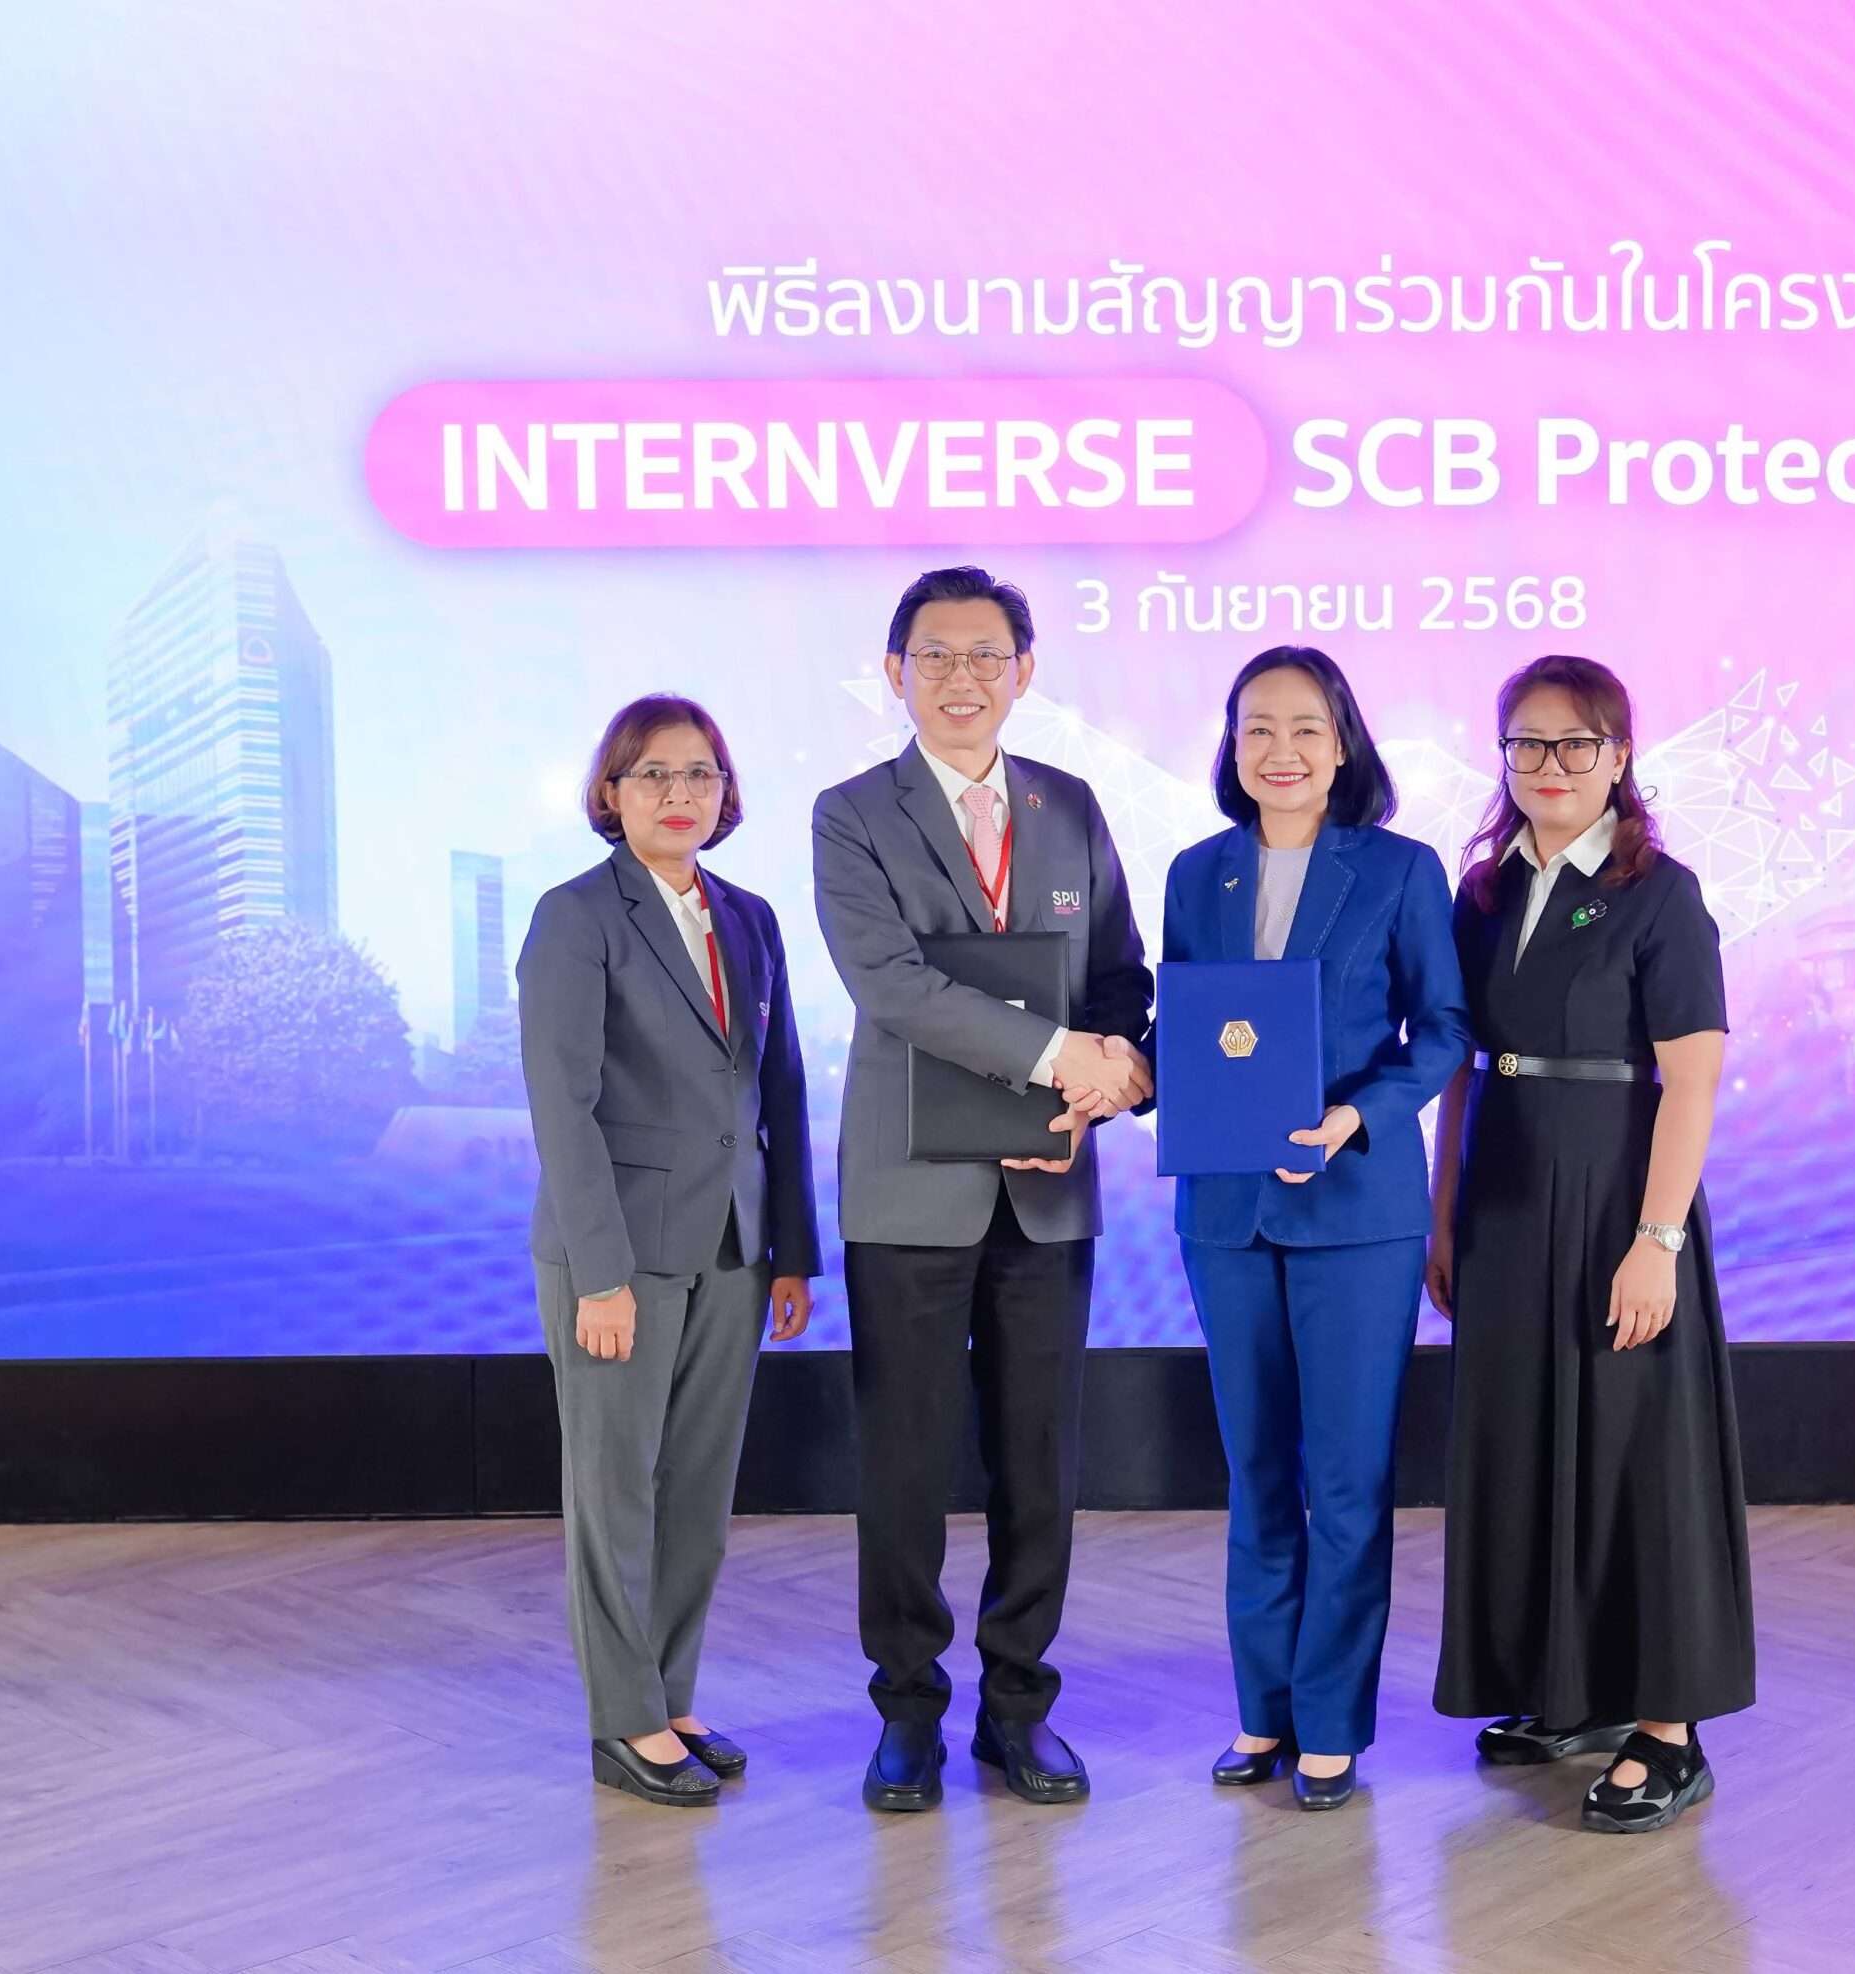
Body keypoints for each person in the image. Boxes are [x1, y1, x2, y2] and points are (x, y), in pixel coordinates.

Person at [812, 566, 1153, 1813]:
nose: (962, 678)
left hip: (1048, 1185)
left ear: (1025, 671)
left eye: (986, 656)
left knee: (1037, 1459)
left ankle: (1018, 1707)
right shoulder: (851, 815)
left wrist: (1118, 1079)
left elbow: (1118, 978)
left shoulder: (1071, 805)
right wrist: (1060, 1058)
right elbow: (895, 987)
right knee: (903, 1465)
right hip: (910, 1187)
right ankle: (907, 1712)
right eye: (936, 656)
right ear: (894, 672)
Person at [1429, 654, 1754, 1835]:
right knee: (1524, 1447)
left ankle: (1666, 1731)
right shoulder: (1482, 893)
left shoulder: (1660, 894)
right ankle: (1568, 1695)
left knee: (1633, 1457)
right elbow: (1461, 1071)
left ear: (1619, 756)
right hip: (1506, 1205)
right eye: (1527, 742)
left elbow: (1692, 1080)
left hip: (1620, 1203)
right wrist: (1443, 1217)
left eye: (1576, 743)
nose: (1550, 764)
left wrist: (1655, 1240)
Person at [1156, 645, 1470, 1811]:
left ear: (1343, 745)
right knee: (1253, 1473)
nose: (1278, 750)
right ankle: (1262, 1713)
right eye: (1256, 728)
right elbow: (1185, 1026)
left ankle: (1330, 1723)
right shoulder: (1197, 874)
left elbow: (1444, 1029)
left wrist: (1357, 1115)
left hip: (1355, 1215)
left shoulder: (1399, 869)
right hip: (1226, 1212)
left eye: (1303, 728)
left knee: (1343, 1479)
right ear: (1231, 746)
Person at [517, 693, 821, 1808]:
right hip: (621, 1256)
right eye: (652, 774)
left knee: (696, 1491)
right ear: (612, 793)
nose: (679, 793)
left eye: (699, 774)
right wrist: (599, 1275)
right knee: (615, 1492)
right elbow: (563, 1107)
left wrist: (791, 1249)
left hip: (734, 1245)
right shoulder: (575, 916)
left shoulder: (749, 918)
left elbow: (780, 1086)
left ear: (724, 793)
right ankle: (625, 1718)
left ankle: (672, 1695)